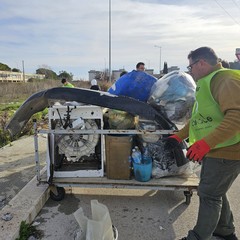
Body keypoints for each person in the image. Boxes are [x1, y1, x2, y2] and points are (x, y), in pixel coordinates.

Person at [164, 47, 240, 240]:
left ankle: (198, 237)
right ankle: (225, 232)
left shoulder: (224, 80)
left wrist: (206, 143)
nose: (190, 71)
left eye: (190, 66)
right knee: (216, 192)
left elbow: (236, 116)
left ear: (201, 63)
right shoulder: (208, 82)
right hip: (217, 150)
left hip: (227, 150)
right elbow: (200, 118)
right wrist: (179, 136)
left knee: (209, 195)